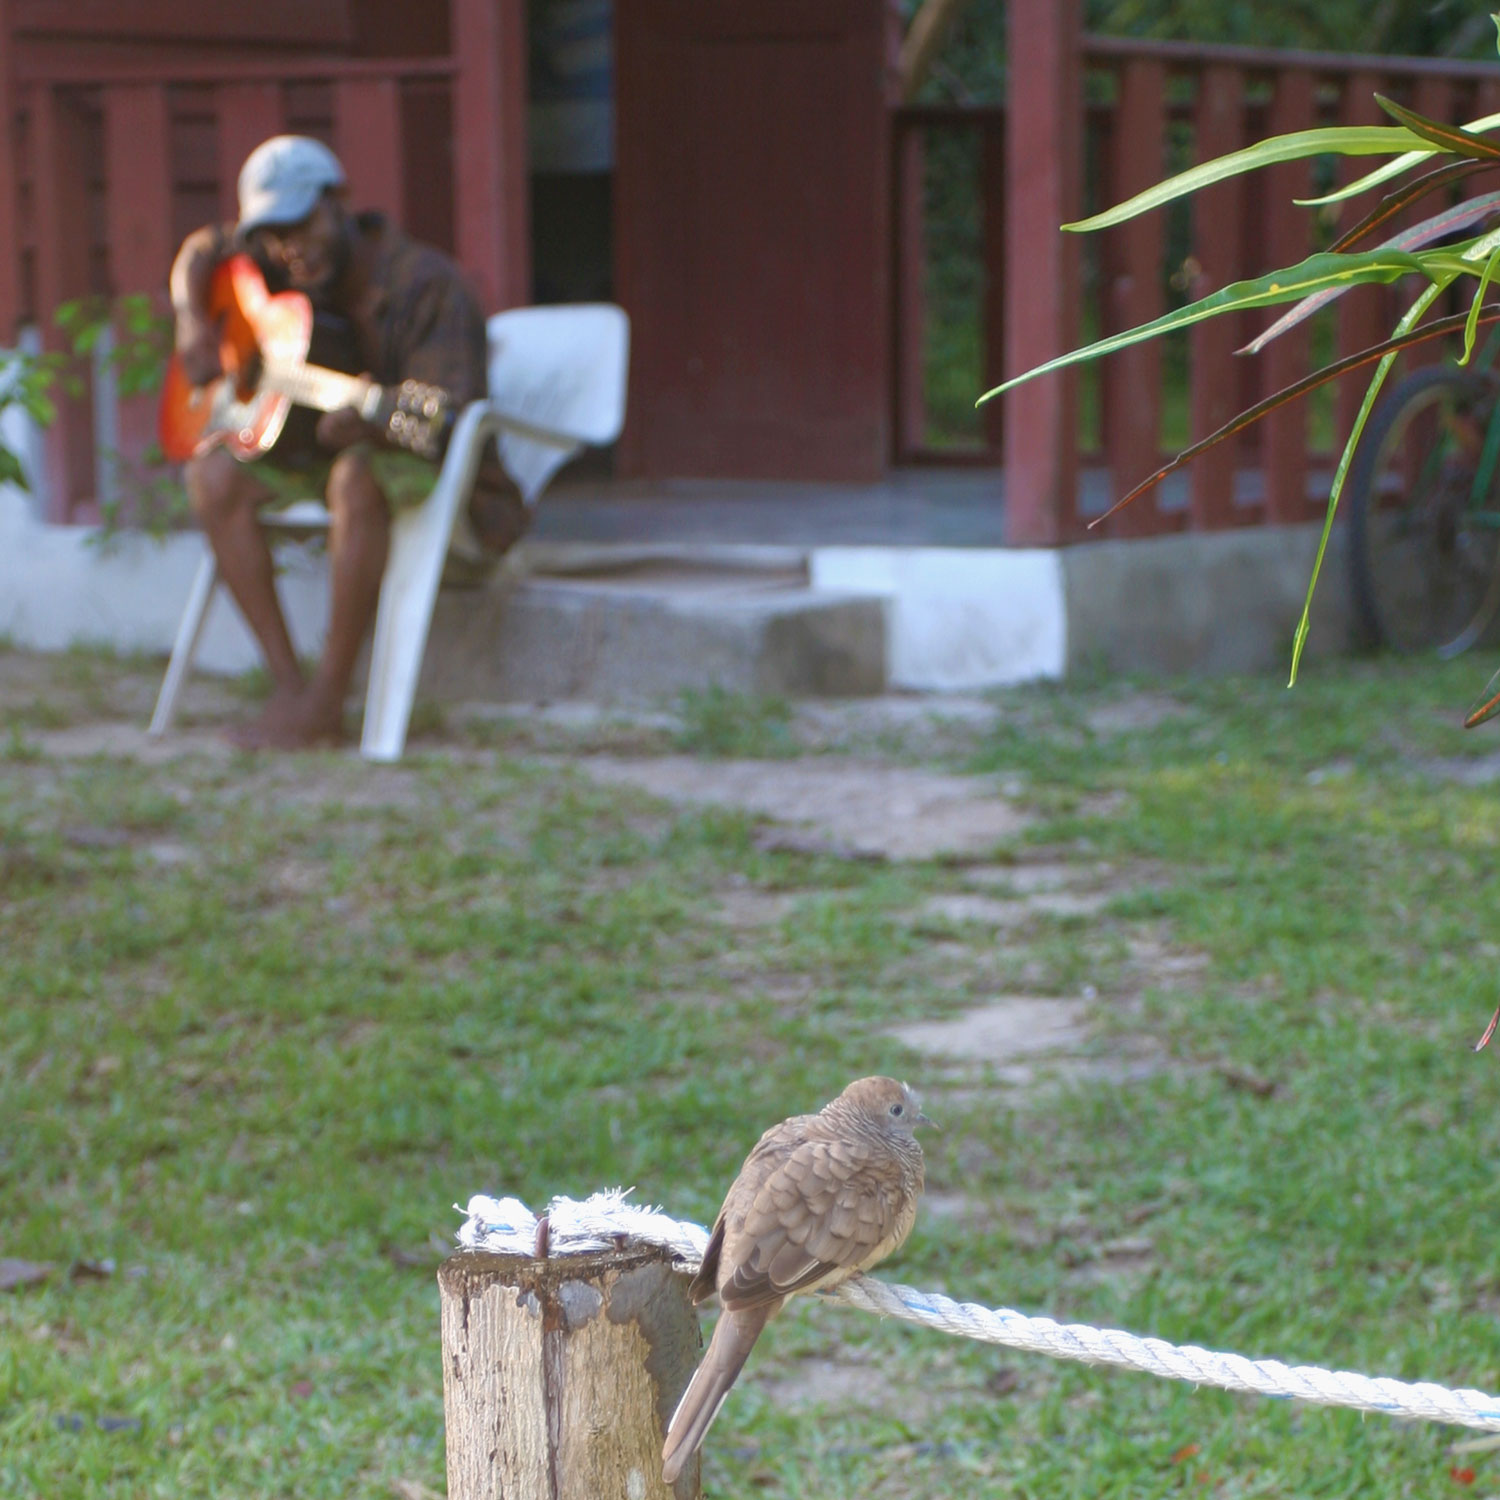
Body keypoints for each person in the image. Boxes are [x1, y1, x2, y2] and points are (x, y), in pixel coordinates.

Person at [169, 135, 527, 749]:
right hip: (321, 454)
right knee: (212, 475)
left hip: (427, 469)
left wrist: (370, 422)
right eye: (272, 234)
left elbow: (447, 419)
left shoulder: (428, 285)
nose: (288, 247)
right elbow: (202, 248)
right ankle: (290, 687)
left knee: (354, 475)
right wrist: (192, 320)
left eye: (300, 225)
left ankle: (326, 704)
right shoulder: (277, 259)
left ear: (339, 203)